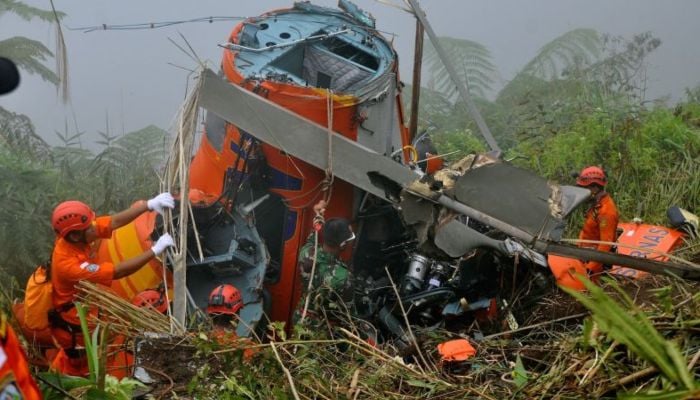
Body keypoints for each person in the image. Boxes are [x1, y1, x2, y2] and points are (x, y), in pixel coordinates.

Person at [49, 193, 175, 375]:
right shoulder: (68, 265)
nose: (94, 228)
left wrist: (148, 205)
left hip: (85, 309)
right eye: (89, 228)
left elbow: (113, 222)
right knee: (86, 364)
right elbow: (118, 271)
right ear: (76, 236)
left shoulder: (77, 235)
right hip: (74, 325)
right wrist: (154, 251)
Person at [296, 200, 355, 324]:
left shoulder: (306, 253)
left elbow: (312, 240)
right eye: (351, 237)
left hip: (300, 319)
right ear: (343, 245)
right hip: (320, 330)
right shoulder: (344, 277)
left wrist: (318, 216)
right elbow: (348, 315)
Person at [576, 166, 619, 274]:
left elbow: (605, 244)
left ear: (594, 188)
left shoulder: (606, 211)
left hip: (597, 263)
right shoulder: (596, 204)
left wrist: (590, 269)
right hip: (586, 254)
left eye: (584, 188)